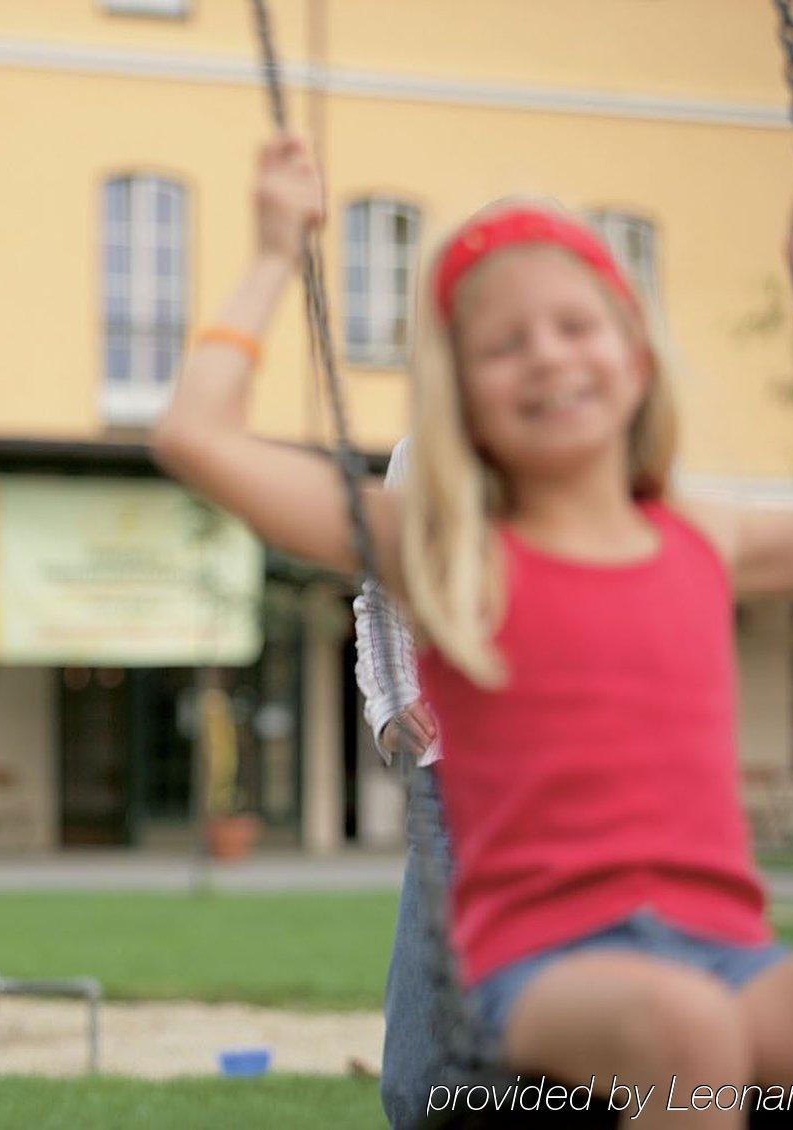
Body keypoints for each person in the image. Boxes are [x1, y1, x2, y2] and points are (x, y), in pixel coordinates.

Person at [153, 133, 793, 1124]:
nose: (548, 355)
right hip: (540, 967)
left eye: (577, 325)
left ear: (636, 352)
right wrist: (276, 253)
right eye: (505, 342)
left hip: (723, 946)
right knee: (690, 1031)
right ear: (462, 398)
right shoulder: (451, 541)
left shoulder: (700, 531)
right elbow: (196, 438)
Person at [352, 434, 450, 1130]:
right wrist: (390, 703)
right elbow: (381, 596)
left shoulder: (613, 445)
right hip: (457, 792)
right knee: (416, 1080)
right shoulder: (425, 448)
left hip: (590, 796)